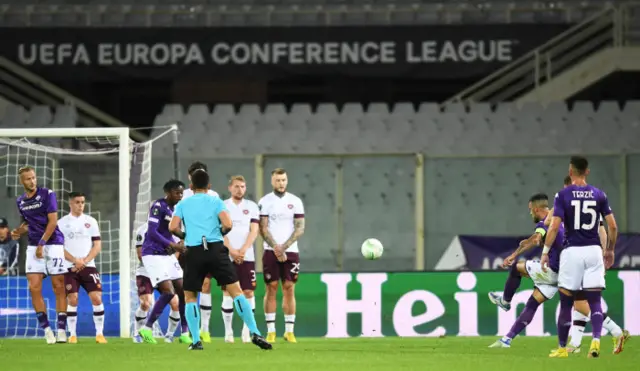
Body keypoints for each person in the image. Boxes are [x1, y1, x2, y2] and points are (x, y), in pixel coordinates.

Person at [168, 169, 271, 351]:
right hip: (216, 249)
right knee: (237, 292)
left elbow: (172, 227)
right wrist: (219, 233)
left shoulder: (184, 203)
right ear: (209, 186)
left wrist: (186, 235)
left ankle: (196, 341)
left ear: (191, 186)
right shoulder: (216, 201)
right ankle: (255, 332)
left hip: (194, 250)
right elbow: (228, 224)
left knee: (190, 296)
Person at [545, 176, 629, 354]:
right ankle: (575, 344)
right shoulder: (591, 201)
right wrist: (604, 252)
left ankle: (616, 331)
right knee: (579, 302)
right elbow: (604, 229)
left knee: (580, 302)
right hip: (591, 255)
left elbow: (547, 223)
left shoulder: (566, 199)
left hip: (577, 255)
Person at [488, 193, 564, 348]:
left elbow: (538, 235)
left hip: (552, 270)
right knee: (532, 303)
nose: (530, 213)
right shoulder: (561, 219)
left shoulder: (544, 222)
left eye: (530, 210)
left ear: (536, 209)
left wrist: (514, 255)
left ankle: (505, 301)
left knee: (516, 267)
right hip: (564, 274)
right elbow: (534, 239)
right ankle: (507, 339)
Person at [12, 166, 67, 344]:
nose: (32, 181)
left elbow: (52, 221)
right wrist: (18, 232)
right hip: (33, 246)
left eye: (34, 178)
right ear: (22, 181)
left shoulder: (47, 194)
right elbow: (27, 224)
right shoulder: (20, 201)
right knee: (34, 287)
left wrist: (42, 244)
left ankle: (61, 330)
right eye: (28, 179)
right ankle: (47, 330)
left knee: (58, 286)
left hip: (52, 244)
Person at [137, 180, 191, 345]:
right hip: (152, 254)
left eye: (181, 193)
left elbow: (176, 234)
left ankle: (185, 332)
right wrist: (172, 245)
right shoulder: (158, 206)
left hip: (166, 255)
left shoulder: (177, 210)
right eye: (177, 193)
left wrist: (180, 243)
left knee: (184, 292)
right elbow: (152, 232)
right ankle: (146, 328)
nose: (180, 196)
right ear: (168, 192)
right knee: (168, 292)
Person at [259, 168, 305, 343]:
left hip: (291, 251)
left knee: (289, 287)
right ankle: (271, 331)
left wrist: (284, 247)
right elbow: (263, 228)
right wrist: (276, 248)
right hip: (271, 251)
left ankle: (289, 331)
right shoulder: (265, 202)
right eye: (278, 180)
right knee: (271, 288)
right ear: (272, 181)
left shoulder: (295, 201)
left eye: (284, 180)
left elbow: (300, 227)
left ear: (287, 181)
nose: (281, 183)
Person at [57, 192, 107, 344]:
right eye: (77, 202)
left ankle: (99, 334)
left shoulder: (91, 221)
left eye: (83, 202)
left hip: (88, 266)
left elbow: (97, 245)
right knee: (73, 299)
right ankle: (72, 334)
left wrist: (84, 261)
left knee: (97, 298)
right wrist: (74, 260)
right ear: (70, 203)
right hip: (69, 267)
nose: (80, 205)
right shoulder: (61, 223)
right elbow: (59, 247)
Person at [180, 161, 219, 344]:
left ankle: (205, 329)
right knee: (187, 290)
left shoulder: (213, 195)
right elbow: (177, 221)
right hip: (188, 245)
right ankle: (186, 330)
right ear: (189, 176)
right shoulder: (183, 195)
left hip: (208, 245)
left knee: (205, 285)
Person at [221, 175, 260, 343]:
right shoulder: (223, 206)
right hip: (226, 256)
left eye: (243, 186)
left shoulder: (252, 206)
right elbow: (219, 231)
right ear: (230, 188)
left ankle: (246, 331)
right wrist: (231, 251)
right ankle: (228, 331)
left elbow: (254, 231)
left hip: (247, 255)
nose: (240, 189)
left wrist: (242, 250)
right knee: (227, 292)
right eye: (237, 186)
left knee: (248, 292)